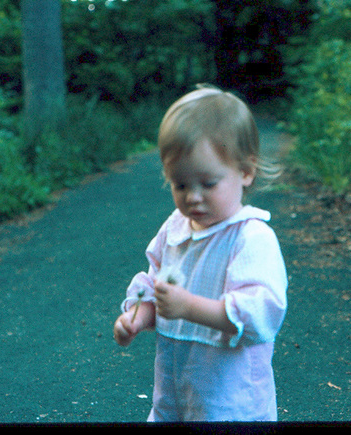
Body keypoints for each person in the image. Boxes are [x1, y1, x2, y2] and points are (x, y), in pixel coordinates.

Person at [113, 84, 288, 422]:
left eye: (208, 184)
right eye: (180, 184)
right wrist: (139, 317)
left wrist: (189, 307)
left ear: (246, 171)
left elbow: (260, 314)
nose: (193, 197)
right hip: (175, 394)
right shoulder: (175, 229)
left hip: (229, 401)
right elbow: (156, 286)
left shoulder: (251, 238)